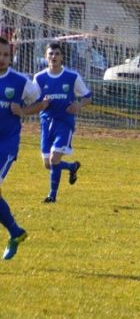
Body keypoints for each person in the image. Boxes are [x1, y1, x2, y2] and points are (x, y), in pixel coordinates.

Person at [0, 36, 42, 259]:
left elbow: (42, 101)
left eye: (6, 55)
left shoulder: (20, 81)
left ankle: (15, 232)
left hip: (5, 145)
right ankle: (16, 232)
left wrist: (24, 111)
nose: (2, 58)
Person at [34, 42, 91, 204]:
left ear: (62, 57)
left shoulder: (72, 77)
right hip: (46, 123)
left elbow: (88, 97)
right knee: (48, 164)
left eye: (57, 54)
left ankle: (52, 196)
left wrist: (78, 105)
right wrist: (42, 104)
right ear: (46, 57)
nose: (54, 57)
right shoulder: (39, 78)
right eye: (51, 54)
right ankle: (72, 167)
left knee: (54, 158)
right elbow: (33, 100)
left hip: (65, 123)